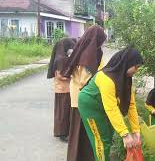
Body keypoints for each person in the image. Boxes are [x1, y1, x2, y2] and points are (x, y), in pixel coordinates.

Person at [78, 47, 144, 161]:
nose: (136, 70)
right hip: (90, 105)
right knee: (101, 142)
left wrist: (136, 131)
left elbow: (131, 105)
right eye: (136, 67)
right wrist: (125, 134)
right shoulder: (106, 78)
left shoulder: (126, 79)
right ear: (127, 63)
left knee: (108, 137)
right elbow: (112, 108)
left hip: (105, 105)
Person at [61, 25, 106, 161]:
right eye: (101, 41)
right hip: (82, 98)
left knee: (78, 132)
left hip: (78, 96)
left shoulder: (83, 50)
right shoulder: (88, 55)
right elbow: (83, 81)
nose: (102, 44)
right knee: (82, 131)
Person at [47, 38, 76, 141]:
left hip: (62, 90)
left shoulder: (61, 57)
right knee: (63, 113)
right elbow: (60, 76)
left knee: (62, 112)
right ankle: (62, 134)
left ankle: (62, 132)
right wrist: (73, 77)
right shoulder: (61, 59)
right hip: (63, 90)